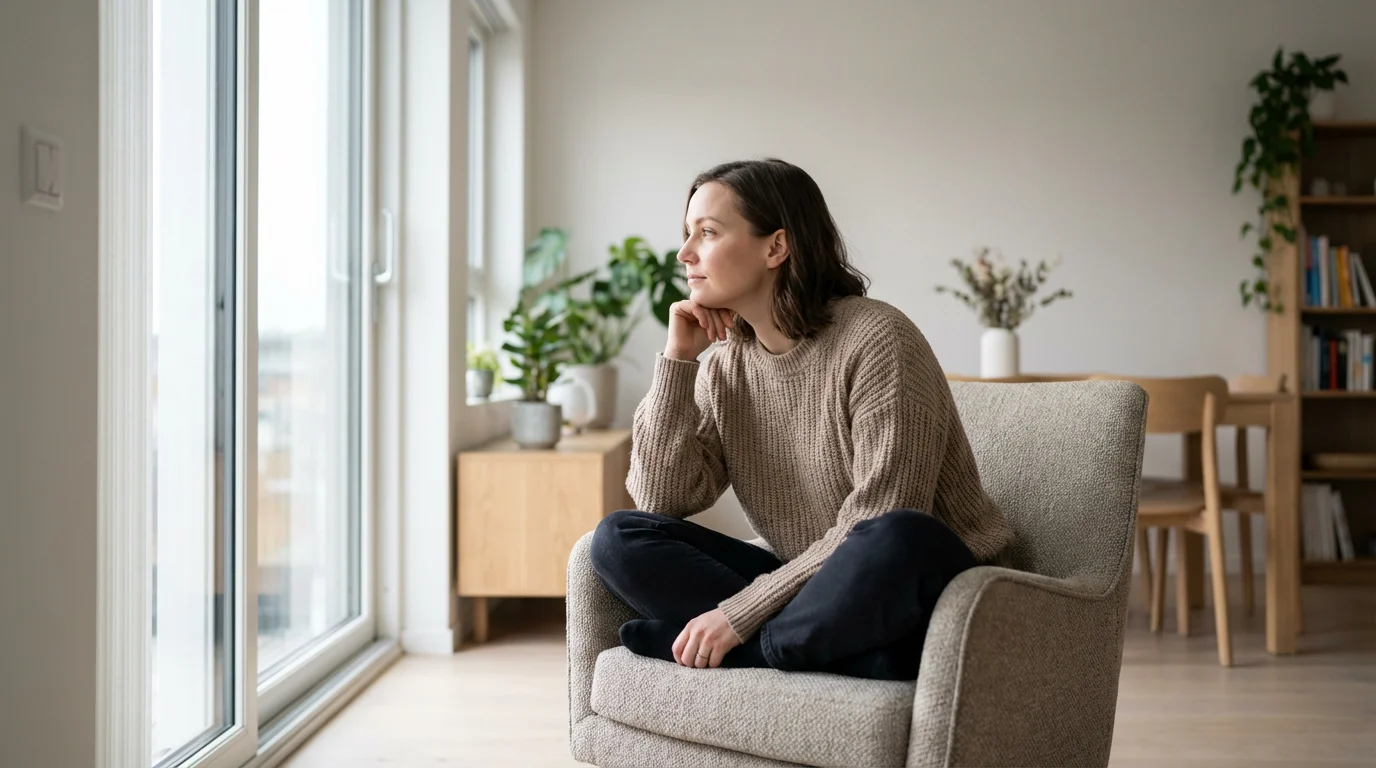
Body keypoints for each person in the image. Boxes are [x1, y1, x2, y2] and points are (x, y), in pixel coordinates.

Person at [590, 158, 1014, 681]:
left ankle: (761, 652)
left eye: (707, 232)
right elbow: (663, 498)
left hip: (929, 582)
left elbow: (882, 517)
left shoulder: (879, 340)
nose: (684, 253)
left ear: (775, 247)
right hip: (817, 584)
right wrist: (678, 360)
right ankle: (845, 654)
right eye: (687, 233)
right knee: (618, 537)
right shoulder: (727, 364)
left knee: (899, 533)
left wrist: (738, 616)